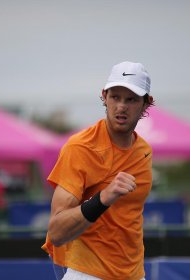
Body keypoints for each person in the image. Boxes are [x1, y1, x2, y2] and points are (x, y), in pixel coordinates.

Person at [42, 61, 155, 280]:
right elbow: (56, 232)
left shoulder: (144, 151)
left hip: (134, 275)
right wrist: (102, 198)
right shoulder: (80, 147)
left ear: (146, 104)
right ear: (104, 96)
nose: (121, 106)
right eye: (115, 97)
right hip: (87, 274)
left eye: (131, 99)